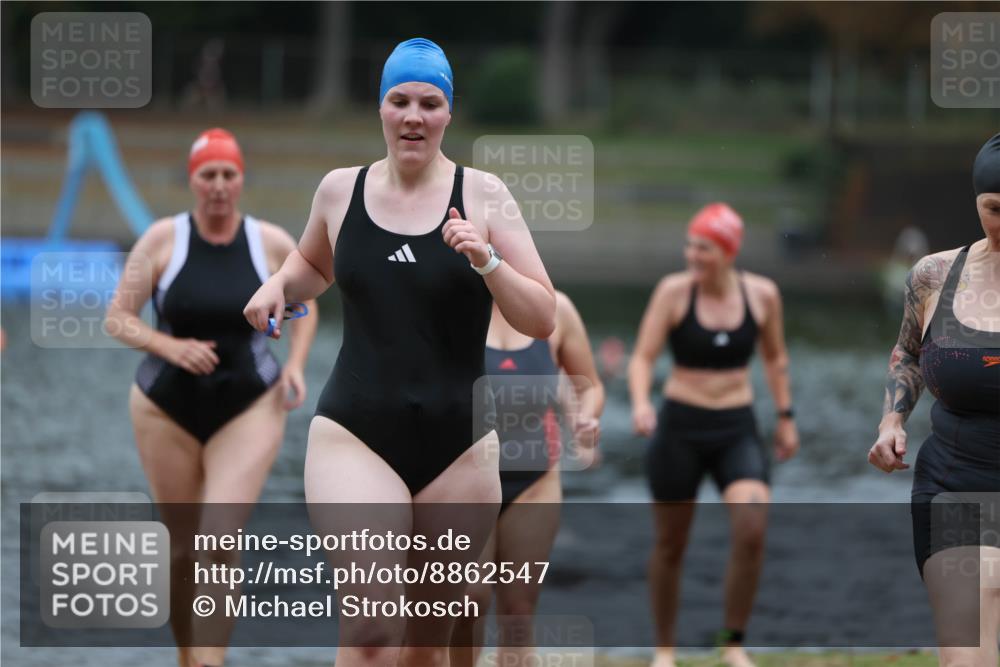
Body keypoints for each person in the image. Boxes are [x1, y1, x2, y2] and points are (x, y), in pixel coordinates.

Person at [243, 38, 555, 667]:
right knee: (370, 634)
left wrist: (486, 260)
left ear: (448, 114)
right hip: (355, 433)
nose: (414, 116)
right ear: (381, 108)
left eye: (429, 103)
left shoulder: (485, 195)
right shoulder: (339, 191)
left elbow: (540, 314)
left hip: (459, 447)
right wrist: (278, 285)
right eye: (400, 100)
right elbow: (311, 265)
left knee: (423, 646)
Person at [105, 128, 318, 667]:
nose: (219, 186)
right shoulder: (161, 240)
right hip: (165, 405)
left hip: (248, 403)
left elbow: (306, 303)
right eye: (208, 175)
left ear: (241, 179)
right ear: (193, 180)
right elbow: (118, 318)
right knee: (181, 550)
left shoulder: (267, 241)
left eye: (229, 174)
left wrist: (294, 365)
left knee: (219, 541)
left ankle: (210, 662)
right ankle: (188, 658)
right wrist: (169, 347)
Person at [628, 203, 799, 667]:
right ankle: (665, 649)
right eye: (690, 244)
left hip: (736, 427)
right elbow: (642, 357)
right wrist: (643, 403)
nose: (692, 255)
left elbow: (775, 359)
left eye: (703, 247)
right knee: (671, 544)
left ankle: (732, 642)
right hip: (679, 426)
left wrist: (785, 416)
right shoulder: (674, 292)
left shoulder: (762, 295)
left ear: (728, 251)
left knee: (751, 529)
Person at [868, 133, 1000, 667]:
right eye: (995, 209)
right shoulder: (933, 276)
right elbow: (908, 353)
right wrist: (891, 420)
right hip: (951, 480)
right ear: (976, 203)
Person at [450, 291, 605, 667]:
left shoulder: (558, 310)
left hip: (535, 481)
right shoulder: (453, 303)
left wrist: (585, 420)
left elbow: (590, 386)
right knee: (470, 600)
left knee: (519, 612)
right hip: (465, 476)